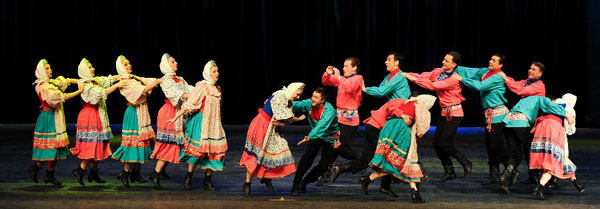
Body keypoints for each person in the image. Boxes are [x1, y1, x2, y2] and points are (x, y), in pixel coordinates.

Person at [403, 51, 472, 182]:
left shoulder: (454, 79)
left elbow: (434, 85)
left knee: (444, 142)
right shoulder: (438, 72)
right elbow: (424, 76)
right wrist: (406, 75)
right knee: (436, 144)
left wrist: (415, 80)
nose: (443, 62)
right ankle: (449, 171)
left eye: (447, 61)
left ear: (454, 64)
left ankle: (465, 161)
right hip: (444, 112)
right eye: (444, 59)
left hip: (455, 113)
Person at [358, 94, 436, 203]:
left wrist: (403, 115)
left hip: (388, 127)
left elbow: (391, 108)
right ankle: (414, 193)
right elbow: (422, 129)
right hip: (401, 131)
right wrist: (415, 137)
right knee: (402, 163)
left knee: (395, 162)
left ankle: (414, 192)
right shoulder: (422, 108)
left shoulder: (407, 102)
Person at [167, 60, 227, 191]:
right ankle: (188, 176)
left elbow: (219, 108)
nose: (217, 74)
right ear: (207, 73)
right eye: (214, 71)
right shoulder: (202, 87)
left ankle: (208, 178)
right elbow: (190, 104)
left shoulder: (218, 88)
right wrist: (175, 117)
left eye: (217, 71)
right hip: (201, 121)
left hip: (214, 123)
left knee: (213, 151)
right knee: (197, 151)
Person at [239, 82, 306, 197]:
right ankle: (247, 183)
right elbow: (284, 117)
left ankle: (266, 178)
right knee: (256, 154)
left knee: (274, 152)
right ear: (292, 89)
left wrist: (282, 126)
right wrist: (298, 119)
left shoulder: (287, 100)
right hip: (261, 126)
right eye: (298, 94)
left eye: (300, 95)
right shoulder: (281, 96)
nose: (298, 97)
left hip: (270, 127)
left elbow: (282, 120)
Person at [452, 53, 509, 185]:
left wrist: (461, 79)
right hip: (489, 115)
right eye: (490, 59)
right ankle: (494, 175)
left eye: (494, 60)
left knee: (497, 145)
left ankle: (509, 169)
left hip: (498, 115)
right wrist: (453, 67)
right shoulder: (485, 72)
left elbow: (480, 86)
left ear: (500, 65)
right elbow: (471, 71)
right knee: (490, 146)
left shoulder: (497, 77)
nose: (490, 61)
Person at [71, 58, 126, 187]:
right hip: (89, 115)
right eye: (90, 67)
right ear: (84, 71)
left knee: (99, 144)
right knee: (92, 144)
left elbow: (109, 79)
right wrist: (117, 85)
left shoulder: (95, 81)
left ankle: (93, 173)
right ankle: (80, 169)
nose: (93, 69)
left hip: (98, 114)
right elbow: (102, 92)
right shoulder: (86, 85)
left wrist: (123, 75)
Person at [28, 59, 83, 185]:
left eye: (50, 67)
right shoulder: (43, 86)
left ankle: (48, 174)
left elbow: (66, 80)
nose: (50, 70)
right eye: (46, 68)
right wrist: (79, 92)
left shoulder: (51, 83)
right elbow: (61, 97)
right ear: (41, 71)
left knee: (56, 148)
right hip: (48, 118)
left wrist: (81, 81)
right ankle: (36, 167)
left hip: (54, 116)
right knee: (49, 147)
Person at [111, 55, 162, 188]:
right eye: (126, 65)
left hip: (142, 112)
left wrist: (160, 80)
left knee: (142, 143)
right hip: (133, 113)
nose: (129, 66)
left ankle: (136, 173)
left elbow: (146, 81)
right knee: (133, 143)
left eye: (129, 63)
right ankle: (125, 172)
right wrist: (155, 83)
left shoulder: (133, 78)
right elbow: (142, 90)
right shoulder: (124, 81)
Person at [496, 62, 546, 185]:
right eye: (530, 68)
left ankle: (522, 175)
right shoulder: (527, 82)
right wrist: (504, 77)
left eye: (534, 69)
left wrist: (505, 79)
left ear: (540, 74)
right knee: (525, 150)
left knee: (526, 150)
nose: (530, 71)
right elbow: (515, 84)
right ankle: (532, 176)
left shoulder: (538, 86)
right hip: (521, 120)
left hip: (525, 120)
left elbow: (519, 90)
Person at [149, 53, 194, 189]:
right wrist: (195, 95)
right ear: (166, 65)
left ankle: (160, 170)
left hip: (180, 112)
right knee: (169, 144)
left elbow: (189, 89)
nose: (176, 63)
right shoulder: (165, 80)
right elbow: (176, 95)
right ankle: (156, 173)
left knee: (179, 145)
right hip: (169, 112)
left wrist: (197, 91)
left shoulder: (179, 79)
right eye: (172, 62)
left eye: (175, 61)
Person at [530, 93, 585, 200]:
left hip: (542, 127)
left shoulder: (552, 103)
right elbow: (570, 129)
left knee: (548, 158)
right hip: (555, 129)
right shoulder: (569, 108)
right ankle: (539, 188)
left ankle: (574, 184)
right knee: (555, 161)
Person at [290, 87, 341, 196]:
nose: (313, 99)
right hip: (316, 135)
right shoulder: (309, 104)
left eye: (316, 97)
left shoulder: (329, 110)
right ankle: (295, 184)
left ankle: (305, 182)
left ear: (322, 100)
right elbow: (295, 104)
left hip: (331, 138)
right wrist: (274, 102)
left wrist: (309, 136)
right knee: (306, 159)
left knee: (324, 165)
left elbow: (322, 126)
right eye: (313, 96)